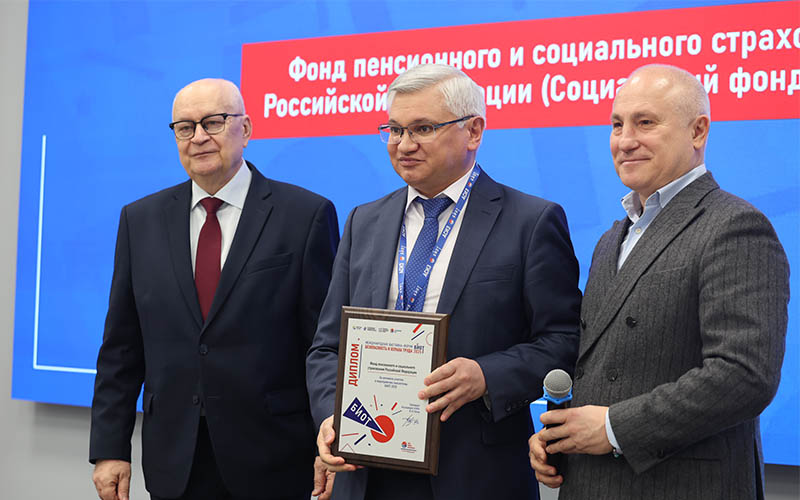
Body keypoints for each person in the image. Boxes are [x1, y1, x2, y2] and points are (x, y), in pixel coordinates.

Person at [306, 63, 582, 500]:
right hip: (367, 469)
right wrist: (331, 416)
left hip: (473, 473)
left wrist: (486, 374)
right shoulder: (364, 221)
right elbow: (327, 347)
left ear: (473, 131)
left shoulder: (531, 221)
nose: (404, 145)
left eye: (423, 129)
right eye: (395, 130)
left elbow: (564, 340)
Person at [529, 64, 790, 500]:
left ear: (698, 131)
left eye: (645, 122)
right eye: (617, 124)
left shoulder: (735, 226)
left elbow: (744, 375)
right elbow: (605, 368)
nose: (625, 140)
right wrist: (561, 434)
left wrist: (613, 428)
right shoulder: (611, 238)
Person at [89, 78, 340, 500]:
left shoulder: (305, 215)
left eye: (214, 122)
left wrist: (329, 439)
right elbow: (121, 348)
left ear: (247, 128)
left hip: (275, 460)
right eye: (185, 127)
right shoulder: (140, 220)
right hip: (175, 462)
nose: (199, 137)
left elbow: (325, 345)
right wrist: (110, 448)